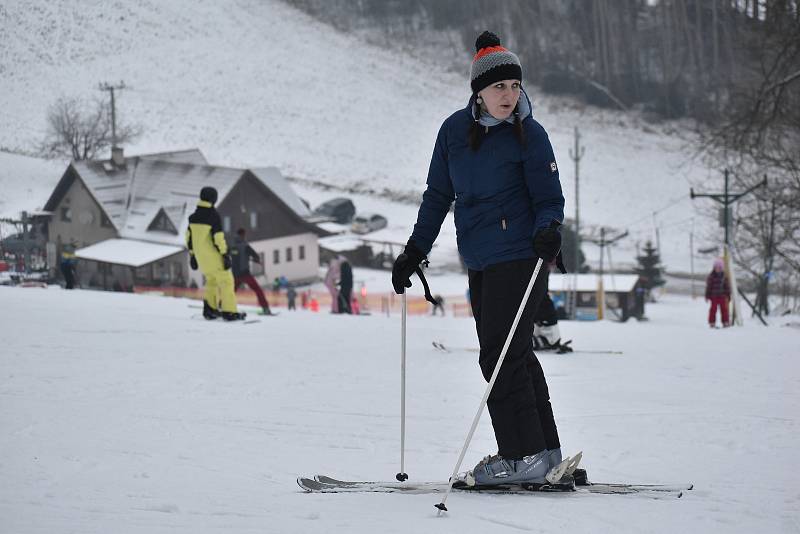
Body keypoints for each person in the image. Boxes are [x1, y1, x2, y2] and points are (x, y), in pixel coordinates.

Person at [392, 31, 567, 487]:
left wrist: (549, 228)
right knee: (515, 354)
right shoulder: (453, 132)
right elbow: (437, 196)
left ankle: (521, 456)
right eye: (498, 87)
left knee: (500, 355)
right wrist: (414, 251)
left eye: (514, 86)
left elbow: (549, 197)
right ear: (479, 92)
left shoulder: (530, 134)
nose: (508, 96)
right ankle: (546, 453)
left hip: (520, 255)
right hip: (481, 259)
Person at [185, 186, 245, 321]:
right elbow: (218, 238)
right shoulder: (213, 216)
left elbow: (188, 238)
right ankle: (229, 312)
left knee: (211, 281)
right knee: (227, 281)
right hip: (213, 256)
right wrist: (225, 254)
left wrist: (192, 255)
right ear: (214, 199)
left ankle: (210, 310)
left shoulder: (192, 217)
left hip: (202, 258)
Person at [231, 228, 272, 315]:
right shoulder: (245, 246)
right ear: (243, 235)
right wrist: (256, 260)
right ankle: (265, 308)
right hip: (245, 274)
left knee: (230, 292)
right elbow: (256, 256)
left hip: (235, 275)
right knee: (257, 290)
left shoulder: (232, 245)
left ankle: (221, 306)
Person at [705, 258, 731, 328]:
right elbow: (708, 287)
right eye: (716, 267)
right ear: (714, 268)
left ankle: (725, 322)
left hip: (722, 296)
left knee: (724, 309)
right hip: (714, 296)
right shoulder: (711, 276)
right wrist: (707, 295)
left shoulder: (724, 277)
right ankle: (712, 322)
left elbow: (727, 287)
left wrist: (728, 295)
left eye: (719, 267)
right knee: (713, 309)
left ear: (722, 268)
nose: (718, 269)